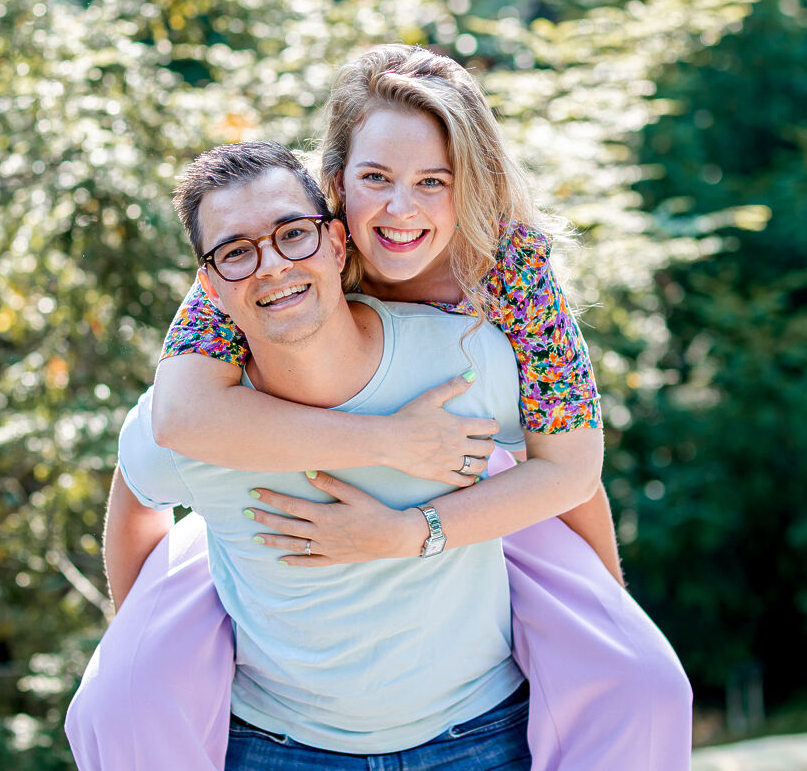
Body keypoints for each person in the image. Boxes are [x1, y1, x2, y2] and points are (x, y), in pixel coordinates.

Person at [66, 45, 692, 770]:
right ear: (336, 187)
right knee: (122, 701)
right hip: (275, 461)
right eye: (375, 180)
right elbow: (180, 420)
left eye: (435, 181)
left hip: (470, 470)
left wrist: (601, 607)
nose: (401, 209)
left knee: (642, 680)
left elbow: (569, 465)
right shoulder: (282, 236)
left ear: (474, 185)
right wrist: (388, 440)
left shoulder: (509, 263)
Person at [96, 141, 534, 768]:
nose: (271, 265)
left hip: (479, 731)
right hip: (278, 746)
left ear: (335, 243)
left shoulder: (466, 360)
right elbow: (136, 500)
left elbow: (563, 472)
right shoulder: (190, 424)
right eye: (236, 252)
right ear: (211, 287)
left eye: (293, 234)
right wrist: (142, 645)